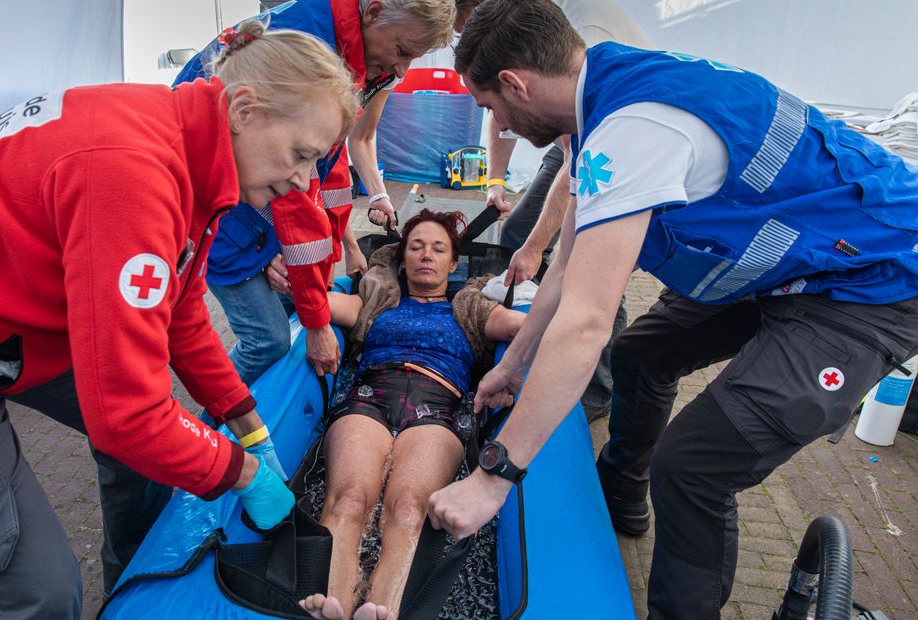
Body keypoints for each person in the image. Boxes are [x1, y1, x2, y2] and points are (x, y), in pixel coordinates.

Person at [0, 22, 359, 618]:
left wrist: (244, 418)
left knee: (149, 450)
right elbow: (127, 416)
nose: (305, 180)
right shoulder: (134, 176)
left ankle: (134, 595)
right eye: (303, 154)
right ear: (246, 109)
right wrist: (243, 473)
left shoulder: (182, 137)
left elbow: (178, 309)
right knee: (38, 594)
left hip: (0, 325)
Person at [429, 1, 918, 618]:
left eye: (489, 109)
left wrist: (494, 478)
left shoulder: (635, 132)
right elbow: (570, 264)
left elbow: (585, 323)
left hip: (872, 279)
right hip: (789, 262)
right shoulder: (599, 87)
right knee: (641, 354)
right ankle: (622, 491)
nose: (496, 127)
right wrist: (516, 364)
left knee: (692, 467)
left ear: (515, 83)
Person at [173, 0, 455, 386]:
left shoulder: (348, 53)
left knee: (298, 295)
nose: (402, 70)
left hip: (251, 199)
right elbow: (297, 195)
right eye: (402, 51)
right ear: (372, 12)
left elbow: (328, 169)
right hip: (221, 204)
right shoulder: (310, 55)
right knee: (267, 339)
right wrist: (315, 318)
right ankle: (214, 415)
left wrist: (341, 249)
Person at [298, 209, 525, 620]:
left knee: (408, 508)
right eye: (416, 247)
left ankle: (382, 608)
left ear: (453, 264)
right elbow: (320, 302)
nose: (426, 255)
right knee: (348, 500)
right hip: (370, 396)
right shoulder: (377, 302)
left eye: (438, 249)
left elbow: (523, 328)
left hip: (437, 406)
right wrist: (290, 278)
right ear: (402, 259)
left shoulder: (469, 307)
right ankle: (332, 602)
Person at [476, 0, 653, 423]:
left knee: (594, 276)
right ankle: (536, 326)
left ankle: (595, 389)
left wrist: (503, 464)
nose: (498, 123)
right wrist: (495, 180)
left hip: (608, 141)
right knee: (524, 235)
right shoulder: (534, 77)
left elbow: (578, 164)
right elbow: (499, 111)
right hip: (576, 132)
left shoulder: (588, 41)